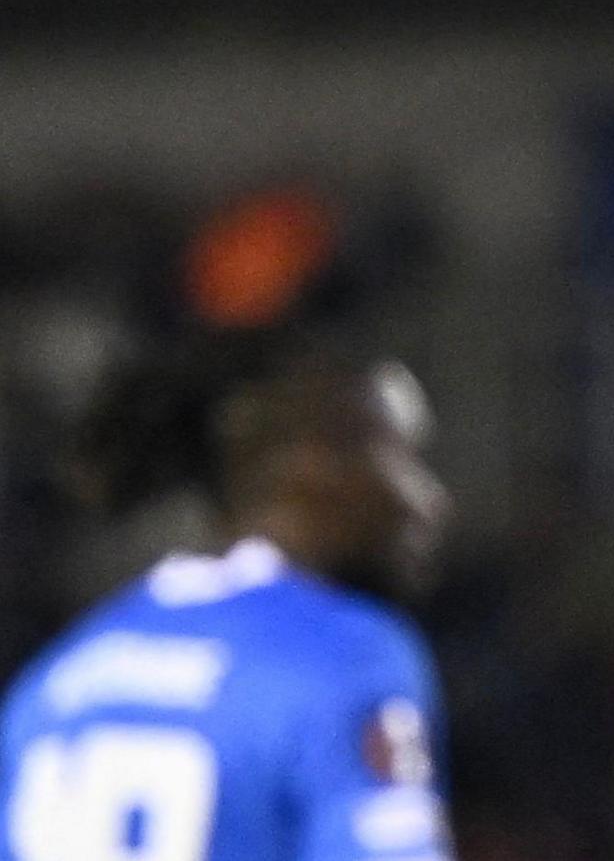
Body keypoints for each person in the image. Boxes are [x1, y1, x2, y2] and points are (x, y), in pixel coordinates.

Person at [1, 344, 455, 861]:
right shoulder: (343, 653)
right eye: (405, 457)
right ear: (310, 461)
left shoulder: (55, 683)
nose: (431, 499)